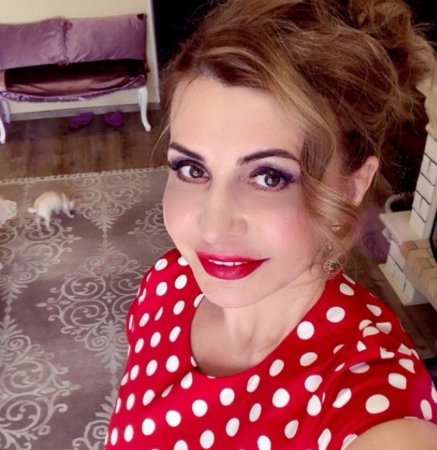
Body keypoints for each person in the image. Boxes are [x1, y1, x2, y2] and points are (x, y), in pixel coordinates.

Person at [105, 0, 437, 448]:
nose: (212, 227)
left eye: (269, 177)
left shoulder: (371, 401)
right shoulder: (167, 284)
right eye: (192, 169)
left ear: (353, 186)